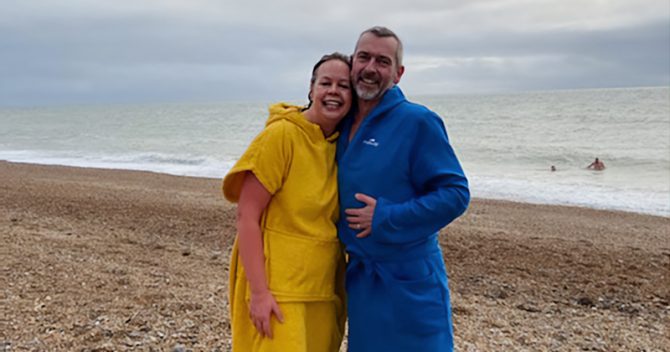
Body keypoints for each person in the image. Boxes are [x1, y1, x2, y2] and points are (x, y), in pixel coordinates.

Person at [336, 27, 470, 351]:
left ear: (398, 74)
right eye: (364, 57)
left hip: (410, 281)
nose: (370, 68)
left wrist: (385, 216)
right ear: (352, 62)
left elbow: (455, 193)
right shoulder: (338, 122)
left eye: (383, 61)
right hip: (362, 280)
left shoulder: (418, 121)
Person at [222, 52, 352, 351]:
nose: (334, 91)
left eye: (343, 86)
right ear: (311, 89)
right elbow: (247, 215)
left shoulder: (340, 146)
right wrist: (258, 293)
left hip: (321, 288)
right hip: (277, 288)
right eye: (326, 83)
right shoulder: (282, 135)